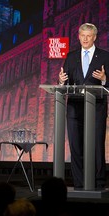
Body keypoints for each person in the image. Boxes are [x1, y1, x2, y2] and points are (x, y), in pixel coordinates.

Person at [58, 23, 109, 189]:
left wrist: (104, 79)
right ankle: (79, 183)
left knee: (96, 145)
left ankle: (99, 182)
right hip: (74, 109)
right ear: (79, 37)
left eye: (89, 36)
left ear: (94, 37)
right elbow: (65, 81)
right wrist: (60, 81)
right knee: (76, 146)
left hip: (96, 108)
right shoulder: (71, 56)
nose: (85, 39)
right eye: (82, 36)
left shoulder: (104, 56)